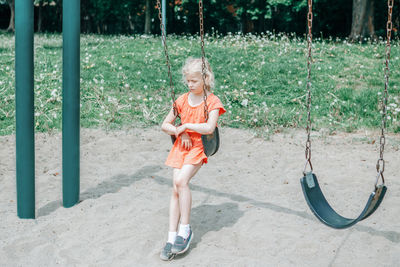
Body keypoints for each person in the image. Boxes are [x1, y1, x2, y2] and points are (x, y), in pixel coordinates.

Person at [160, 58, 226, 260]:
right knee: (175, 188)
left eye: (194, 81)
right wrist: (180, 131)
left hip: (199, 147)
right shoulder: (181, 100)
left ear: (206, 79)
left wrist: (187, 127)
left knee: (181, 181)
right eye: (188, 81)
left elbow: (209, 128)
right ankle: (172, 236)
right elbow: (165, 125)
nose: (190, 85)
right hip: (182, 147)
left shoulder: (212, 102)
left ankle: (185, 230)